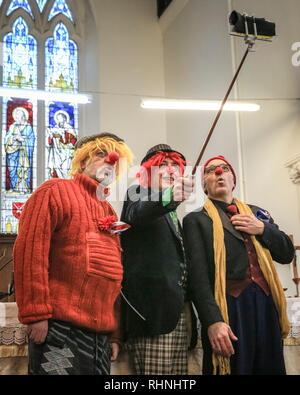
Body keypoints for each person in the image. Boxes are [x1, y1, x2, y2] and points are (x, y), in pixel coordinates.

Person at [13, 132, 133, 375]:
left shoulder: (107, 208)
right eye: (101, 154)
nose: (110, 160)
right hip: (60, 330)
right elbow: (30, 253)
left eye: (115, 159)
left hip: (100, 337)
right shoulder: (54, 191)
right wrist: (35, 314)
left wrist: (114, 334)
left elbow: (112, 275)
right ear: (82, 161)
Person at [183, 155, 295, 375]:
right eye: (211, 170)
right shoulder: (195, 220)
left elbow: (286, 254)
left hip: (266, 305)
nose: (218, 172)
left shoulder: (257, 214)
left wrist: (262, 229)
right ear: (204, 186)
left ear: (233, 180)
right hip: (230, 308)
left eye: (224, 168)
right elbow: (198, 278)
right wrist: (213, 322)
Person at [120, 144, 196, 375]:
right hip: (152, 317)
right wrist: (167, 197)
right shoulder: (137, 193)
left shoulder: (172, 212)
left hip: (177, 314)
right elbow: (137, 214)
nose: (171, 170)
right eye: (163, 165)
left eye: (175, 166)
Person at [5, 106, 35, 193]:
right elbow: (7, 138)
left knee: (22, 168)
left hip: (23, 152)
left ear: (23, 116)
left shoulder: (28, 126)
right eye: (17, 115)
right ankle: (13, 187)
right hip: (13, 152)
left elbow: (31, 139)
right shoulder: (12, 126)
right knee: (12, 169)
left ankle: (24, 188)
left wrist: (23, 140)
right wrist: (13, 138)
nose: (18, 117)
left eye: (20, 115)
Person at [46, 110, 77, 179]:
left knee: (66, 167)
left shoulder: (69, 128)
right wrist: (51, 135)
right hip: (56, 152)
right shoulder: (55, 128)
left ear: (64, 119)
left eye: (61, 118)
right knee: (56, 166)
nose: (60, 119)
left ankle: (67, 181)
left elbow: (74, 141)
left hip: (67, 152)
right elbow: (50, 142)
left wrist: (63, 134)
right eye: (58, 118)